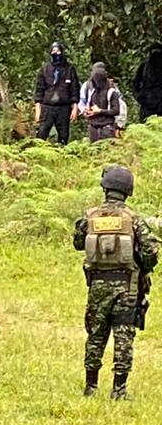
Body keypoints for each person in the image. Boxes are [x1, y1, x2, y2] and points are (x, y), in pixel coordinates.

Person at [74, 165, 159, 400]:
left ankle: (90, 386)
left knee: (96, 334)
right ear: (127, 190)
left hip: (97, 285)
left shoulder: (90, 217)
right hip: (127, 286)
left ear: (106, 188)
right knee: (123, 335)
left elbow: (78, 243)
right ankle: (119, 389)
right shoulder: (133, 219)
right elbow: (151, 251)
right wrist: (144, 267)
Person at [34, 41, 79, 145]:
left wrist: (75, 107)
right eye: (53, 51)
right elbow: (39, 90)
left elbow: (74, 89)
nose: (55, 53)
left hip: (64, 107)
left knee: (63, 135)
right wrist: (37, 109)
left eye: (58, 51)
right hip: (47, 107)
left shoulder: (69, 69)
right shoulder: (45, 69)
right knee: (42, 133)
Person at [79, 63, 123, 143]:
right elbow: (83, 102)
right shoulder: (90, 89)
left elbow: (117, 110)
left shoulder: (112, 91)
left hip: (107, 127)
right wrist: (86, 111)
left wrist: (119, 126)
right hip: (93, 127)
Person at [131, 44, 162, 122]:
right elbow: (135, 83)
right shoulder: (144, 66)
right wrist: (139, 96)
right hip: (147, 106)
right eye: (154, 52)